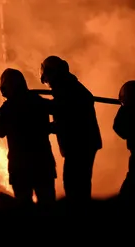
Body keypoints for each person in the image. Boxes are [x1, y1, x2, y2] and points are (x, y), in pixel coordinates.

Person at [40, 56, 102, 200]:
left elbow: (66, 116)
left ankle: (79, 211)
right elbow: (62, 112)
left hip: (80, 144)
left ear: (52, 74)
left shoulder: (69, 90)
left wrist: (38, 107)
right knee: (78, 183)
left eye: (47, 79)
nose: (48, 84)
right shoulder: (69, 87)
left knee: (74, 184)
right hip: (82, 143)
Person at [0, 68, 57, 205]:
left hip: (20, 167)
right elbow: (59, 110)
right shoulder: (38, 101)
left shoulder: (8, 108)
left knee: (24, 208)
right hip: (42, 163)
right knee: (48, 206)